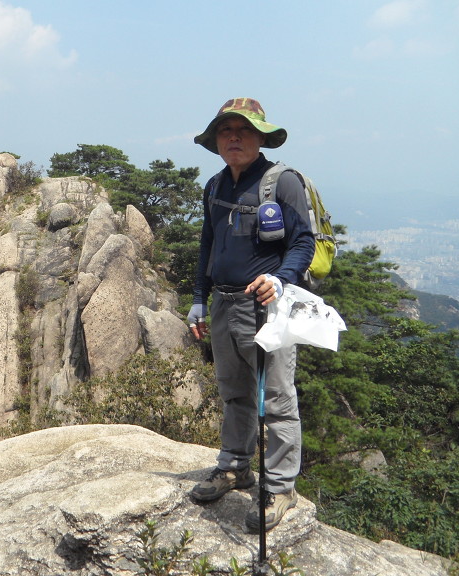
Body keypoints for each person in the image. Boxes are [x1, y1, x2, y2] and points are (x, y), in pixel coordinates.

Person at [186, 98, 315, 532]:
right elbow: (208, 245)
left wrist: (279, 278)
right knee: (233, 392)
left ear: (261, 137)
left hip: (266, 307)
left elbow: (303, 242)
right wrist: (199, 298)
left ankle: (280, 487)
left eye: (244, 130)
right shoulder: (215, 186)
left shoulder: (283, 182)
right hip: (223, 304)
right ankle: (235, 466)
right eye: (226, 131)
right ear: (216, 140)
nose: (234, 138)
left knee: (276, 398)